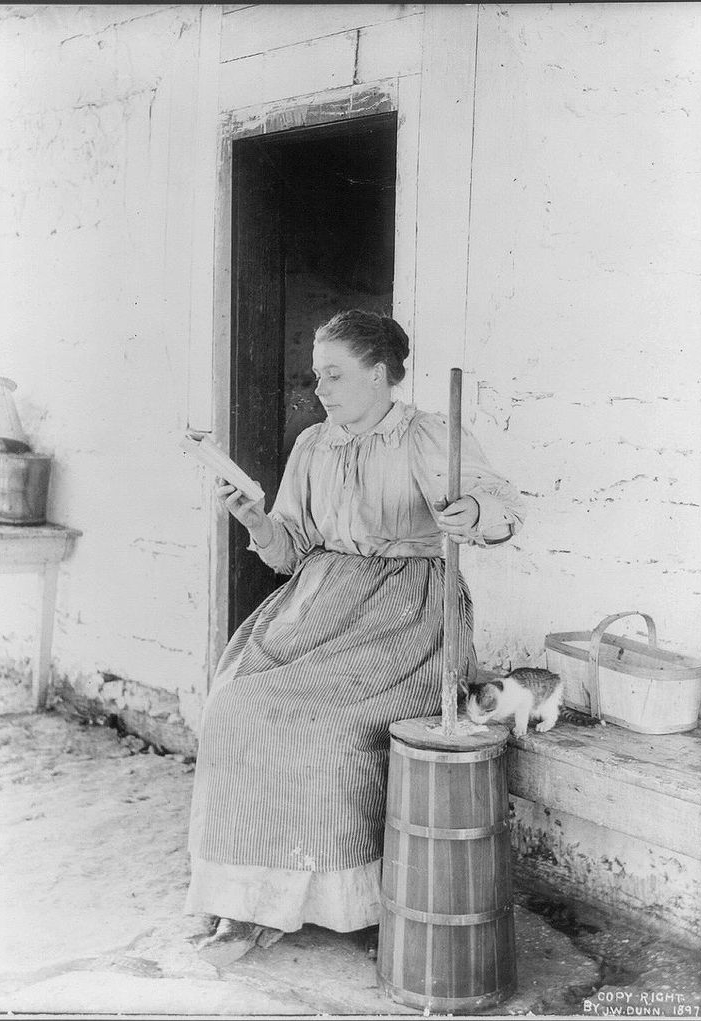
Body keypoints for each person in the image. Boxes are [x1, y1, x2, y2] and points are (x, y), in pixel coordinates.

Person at [184, 309, 525, 964]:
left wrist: (472, 511)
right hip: (317, 607)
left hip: (407, 619)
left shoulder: (431, 436)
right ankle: (248, 904)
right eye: (318, 376)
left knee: (329, 732)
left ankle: (356, 904)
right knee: (233, 707)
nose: (322, 389)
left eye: (334, 375)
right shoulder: (315, 444)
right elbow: (288, 551)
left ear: (377, 372)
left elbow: (503, 505)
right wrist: (257, 518)